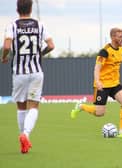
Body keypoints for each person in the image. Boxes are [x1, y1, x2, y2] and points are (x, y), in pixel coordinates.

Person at [1, 0, 54, 153]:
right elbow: (51, 45)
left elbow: (6, 46)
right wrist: (40, 54)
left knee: (21, 107)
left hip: (19, 73)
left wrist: (4, 57)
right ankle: (26, 134)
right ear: (31, 8)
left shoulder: (13, 25)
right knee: (34, 106)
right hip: (36, 72)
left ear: (17, 9)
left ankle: (22, 141)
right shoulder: (40, 25)